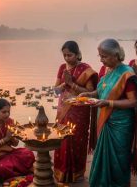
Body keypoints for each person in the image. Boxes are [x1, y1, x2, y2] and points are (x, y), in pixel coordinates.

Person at [79, 39, 137, 186]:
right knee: (103, 156)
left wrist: (108, 103)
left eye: (104, 56)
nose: (102, 60)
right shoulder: (108, 71)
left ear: (116, 55)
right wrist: (89, 95)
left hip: (120, 124)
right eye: (100, 56)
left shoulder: (126, 74)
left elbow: (133, 101)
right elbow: (102, 91)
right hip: (105, 120)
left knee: (119, 159)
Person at [53, 40, 98, 183]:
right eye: (65, 55)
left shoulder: (86, 69)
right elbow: (55, 90)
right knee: (62, 139)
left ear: (78, 54)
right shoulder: (62, 68)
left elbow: (90, 92)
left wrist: (72, 83)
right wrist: (62, 85)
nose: (67, 58)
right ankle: (61, 172)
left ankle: (76, 173)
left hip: (79, 111)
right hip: (63, 108)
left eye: (70, 55)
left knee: (76, 140)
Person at [0, 98, 35, 181]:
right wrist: (6, 139)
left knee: (28, 154)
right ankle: (16, 172)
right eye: (4, 112)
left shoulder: (10, 122)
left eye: (8, 112)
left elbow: (15, 144)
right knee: (1, 169)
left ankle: (13, 173)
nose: (7, 114)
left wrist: (12, 137)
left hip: (7, 152)